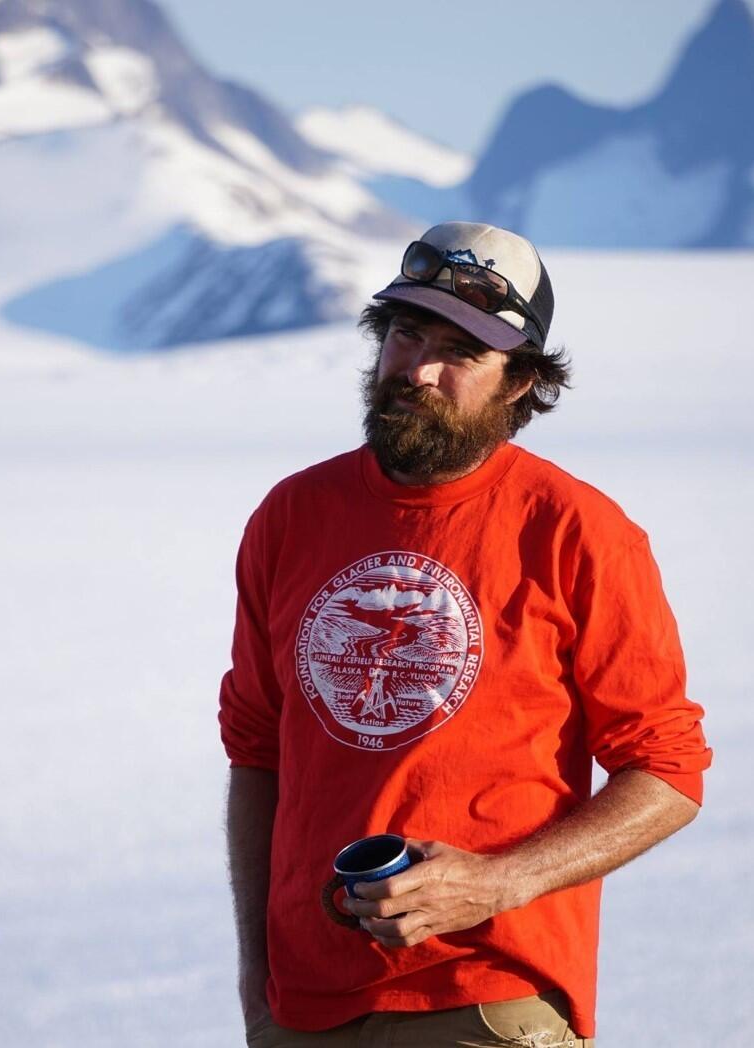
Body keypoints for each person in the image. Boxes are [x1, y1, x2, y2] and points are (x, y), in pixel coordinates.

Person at [219, 222, 711, 1047]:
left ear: (520, 381)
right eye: (406, 334)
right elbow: (256, 749)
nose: (417, 369)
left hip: (484, 996)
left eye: (460, 352)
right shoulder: (291, 515)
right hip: (304, 1004)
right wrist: (255, 977)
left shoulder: (575, 531)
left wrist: (496, 883)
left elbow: (666, 772)